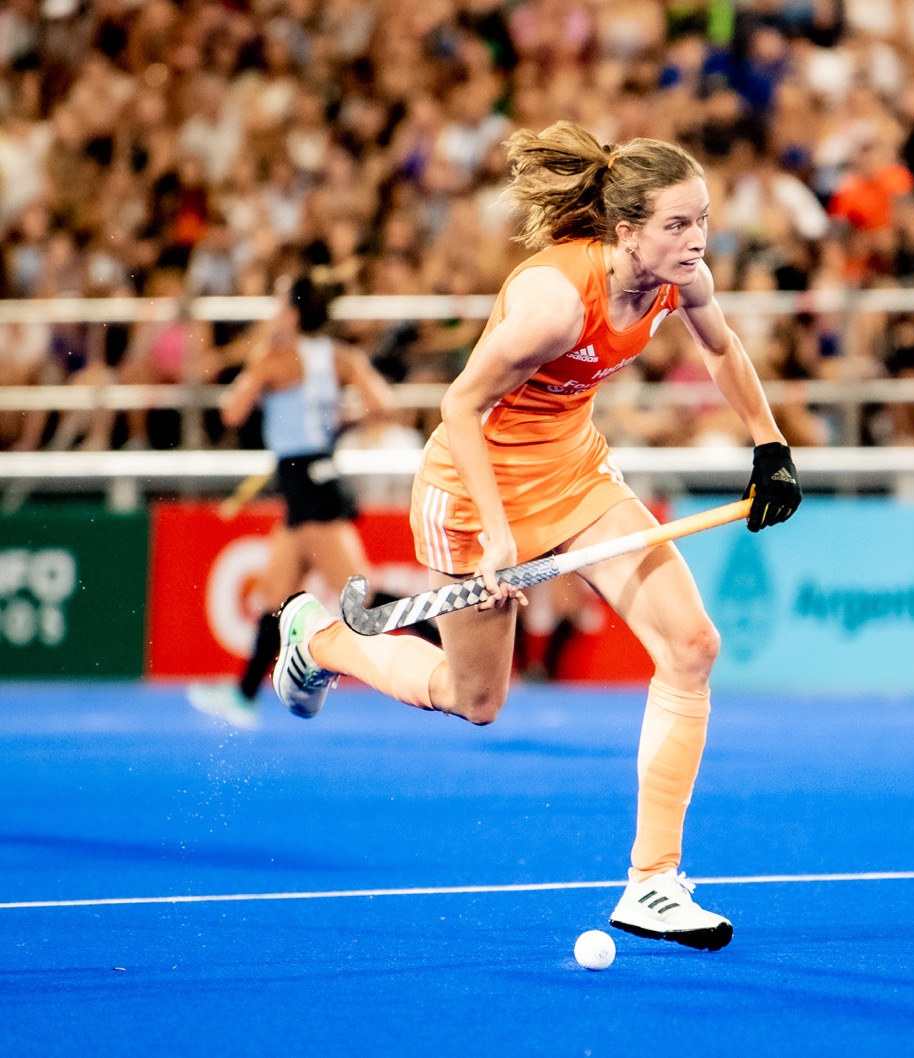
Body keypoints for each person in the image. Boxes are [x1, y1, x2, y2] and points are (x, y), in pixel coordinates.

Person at [270, 121, 802, 951]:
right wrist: (497, 538)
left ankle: (652, 882)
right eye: (677, 224)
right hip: (471, 489)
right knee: (475, 701)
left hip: (574, 475)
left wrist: (769, 446)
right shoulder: (556, 302)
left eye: (702, 220)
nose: (697, 239)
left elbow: (723, 350)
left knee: (692, 645)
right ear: (626, 232)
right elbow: (458, 405)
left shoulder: (680, 279)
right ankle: (320, 638)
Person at [188, 274, 426, 728]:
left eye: (279, 303)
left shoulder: (275, 358)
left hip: (305, 486)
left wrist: (258, 353)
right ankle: (243, 696)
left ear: (293, 312)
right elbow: (384, 403)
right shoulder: (341, 357)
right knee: (274, 593)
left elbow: (232, 411)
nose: (273, 310)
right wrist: (339, 420)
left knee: (361, 599)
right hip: (318, 476)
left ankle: (444, 637)